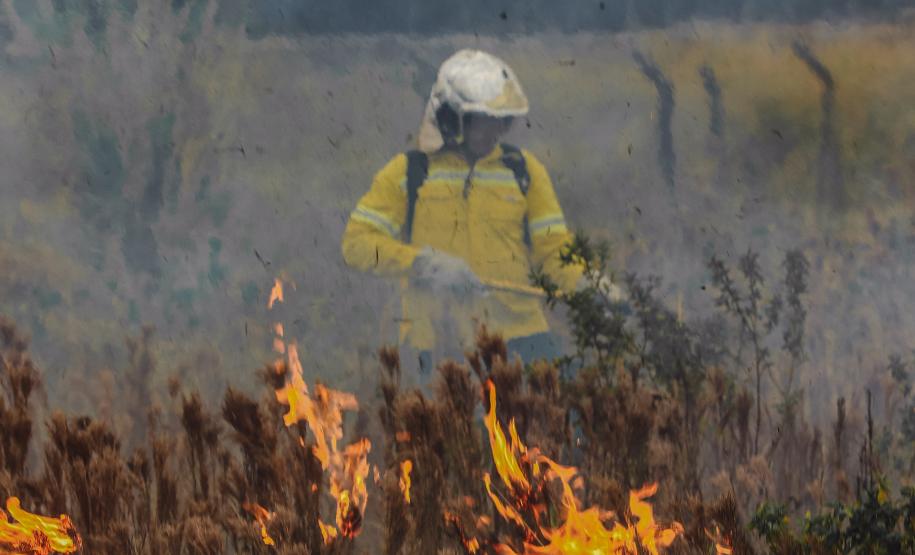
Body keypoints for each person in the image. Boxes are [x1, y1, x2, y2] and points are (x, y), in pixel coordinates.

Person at [341, 49, 605, 380]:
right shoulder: (410, 172)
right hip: (438, 343)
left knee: (567, 422)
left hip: (521, 338)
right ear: (451, 118)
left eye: (500, 120)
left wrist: (590, 283)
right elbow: (357, 244)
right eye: (484, 121)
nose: (494, 131)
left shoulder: (523, 170)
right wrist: (424, 263)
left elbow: (554, 251)